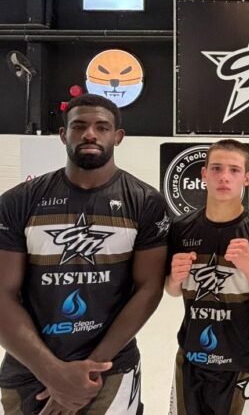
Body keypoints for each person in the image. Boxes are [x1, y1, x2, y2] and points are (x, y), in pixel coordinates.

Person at [0, 94, 170, 414]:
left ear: (118, 136)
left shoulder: (146, 202)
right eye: (79, 126)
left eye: (102, 127)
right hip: (29, 370)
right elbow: (2, 294)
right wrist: (52, 372)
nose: (90, 134)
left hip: (110, 370)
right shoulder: (18, 201)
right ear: (63, 134)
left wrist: (89, 371)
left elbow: (149, 289)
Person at [166, 139, 249, 414]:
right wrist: (174, 278)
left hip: (240, 369)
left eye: (234, 170)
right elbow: (172, 290)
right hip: (190, 363)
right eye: (216, 168)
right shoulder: (181, 227)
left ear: (247, 178)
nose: (224, 177)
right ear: (204, 174)